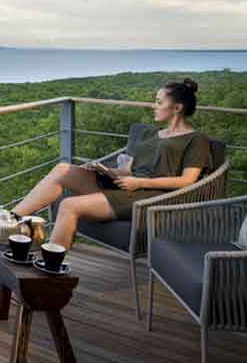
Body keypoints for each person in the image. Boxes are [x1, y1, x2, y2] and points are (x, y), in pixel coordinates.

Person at [11, 78, 213, 249]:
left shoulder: (196, 139)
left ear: (177, 108)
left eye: (159, 102)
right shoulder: (149, 133)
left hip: (151, 197)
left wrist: (140, 183)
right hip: (126, 185)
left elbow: (188, 181)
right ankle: (12, 220)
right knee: (63, 169)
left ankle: (51, 274)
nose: (154, 106)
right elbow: (127, 170)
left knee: (69, 205)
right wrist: (104, 170)